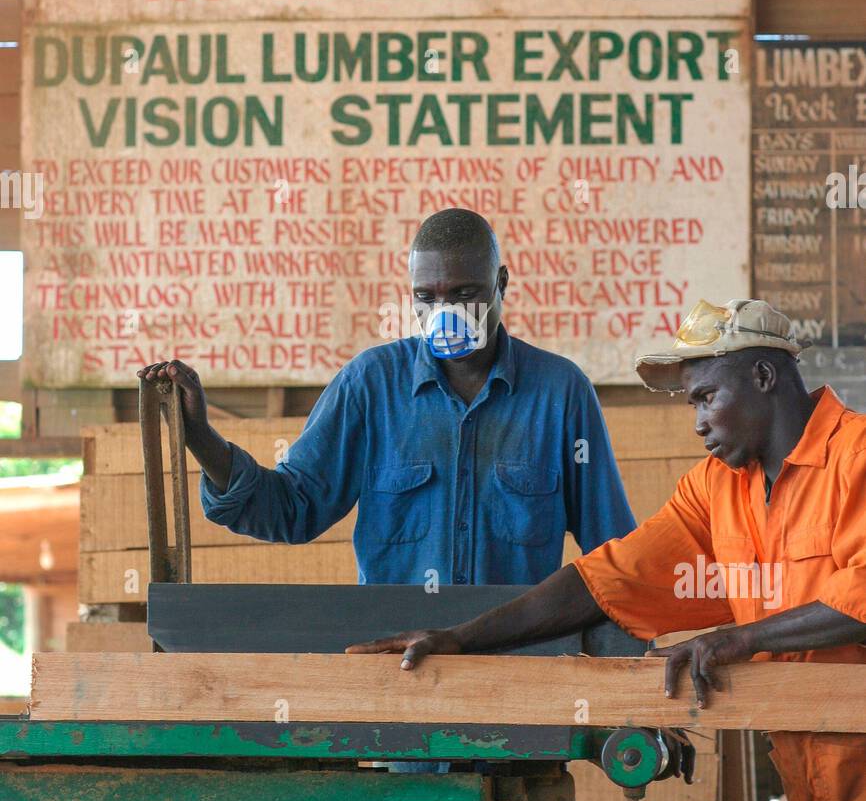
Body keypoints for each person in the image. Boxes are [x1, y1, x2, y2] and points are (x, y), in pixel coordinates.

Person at [348, 298, 866, 801]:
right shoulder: (718, 490)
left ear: (765, 377)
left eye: (707, 396)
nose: (699, 422)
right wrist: (464, 638)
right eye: (690, 404)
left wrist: (733, 640)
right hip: (813, 776)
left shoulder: (856, 457)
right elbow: (605, 579)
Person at [138, 207, 635, 586]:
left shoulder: (560, 393)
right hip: (395, 663)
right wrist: (199, 436)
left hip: (518, 665)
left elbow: (614, 551)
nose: (445, 313)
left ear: (501, 283)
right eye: (427, 297)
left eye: (464, 295)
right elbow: (291, 508)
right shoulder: (370, 386)